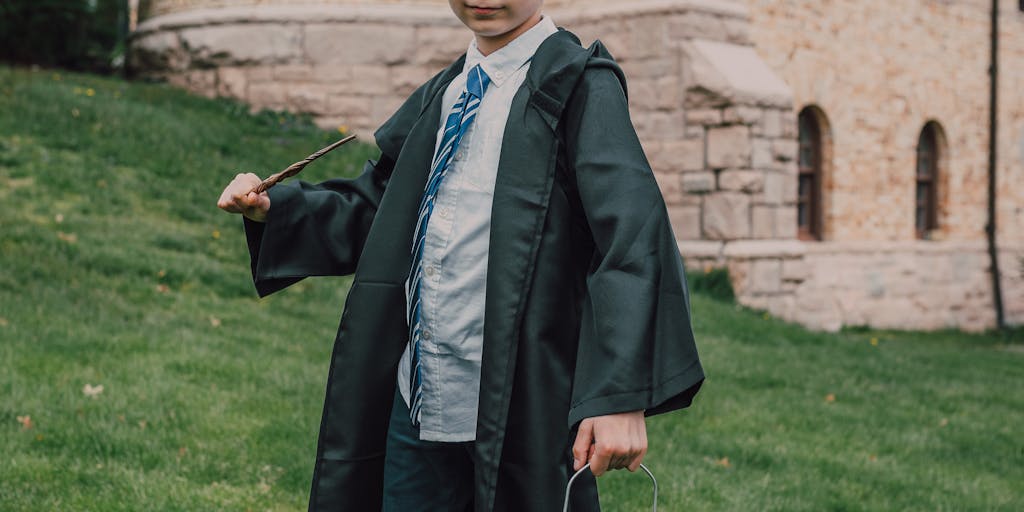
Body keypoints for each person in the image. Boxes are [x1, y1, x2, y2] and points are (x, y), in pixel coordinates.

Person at [216, 0, 704, 510]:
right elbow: (381, 211)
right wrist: (277, 210)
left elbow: (632, 236)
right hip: (421, 400)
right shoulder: (445, 94)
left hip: (519, 401)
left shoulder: (578, 85)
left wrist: (620, 395)